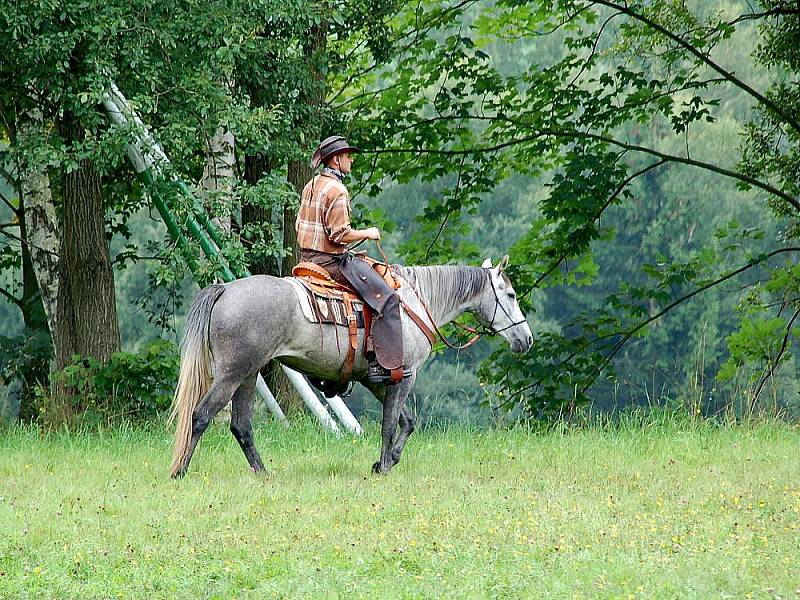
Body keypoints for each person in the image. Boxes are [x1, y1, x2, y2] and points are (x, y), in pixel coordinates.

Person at [296, 135, 408, 385]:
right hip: (330, 263)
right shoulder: (337, 190)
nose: (351, 160)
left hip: (306, 259)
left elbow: (300, 224)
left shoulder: (312, 184)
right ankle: (381, 364)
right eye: (347, 156)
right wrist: (367, 233)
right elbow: (340, 234)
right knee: (387, 297)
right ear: (336, 160)